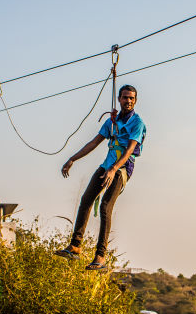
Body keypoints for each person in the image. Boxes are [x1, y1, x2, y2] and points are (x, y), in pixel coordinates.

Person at [55, 85, 146, 270]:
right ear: (119, 99)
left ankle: (100, 256)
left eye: (132, 98)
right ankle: (75, 247)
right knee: (86, 199)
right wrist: (73, 159)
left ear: (135, 100)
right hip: (107, 166)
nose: (128, 101)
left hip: (121, 169)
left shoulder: (137, 122)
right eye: (125, 98)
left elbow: (129, 151)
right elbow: (94, 142)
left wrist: (114, 170)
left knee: (105, 206)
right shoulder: (111, 122)